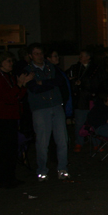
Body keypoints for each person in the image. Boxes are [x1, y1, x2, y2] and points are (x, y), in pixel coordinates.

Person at [24, 43, 69, 181]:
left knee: (62, 140)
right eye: (36, 54)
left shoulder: (51, 67)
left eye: (41, 53)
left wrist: (42, 83)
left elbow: (59, 81)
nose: (39, 56)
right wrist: (47, 83)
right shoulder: (28, 70)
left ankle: (62, 168)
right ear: (31, 56)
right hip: (40, 109)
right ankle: (42, 170)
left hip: (56, 106)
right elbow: (34, 88)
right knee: (42, 142)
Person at [0, 50, 32, 188]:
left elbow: (18, 95)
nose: (11, 63)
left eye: (12, 61)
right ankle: (4, 179)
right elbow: (8, 96)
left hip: (12, 116)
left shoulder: (9, 76)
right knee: (4, 150)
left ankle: (10, 177)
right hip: (1, 118)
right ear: (1, 62)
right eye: (8, 61)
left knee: (11, 149)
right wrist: (20, 85)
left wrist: (22, 84)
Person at [67, 50, 103, 152]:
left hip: (92, 99)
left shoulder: (95, 69)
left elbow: (97, 83)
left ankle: (96, 143)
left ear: (88, 57)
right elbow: (70, 80)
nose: (80, 57)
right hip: (80, 100)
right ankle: (79, 142)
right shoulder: (75, 68)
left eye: (82, 56)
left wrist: (83, 83)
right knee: (79, 122)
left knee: (95, 122)